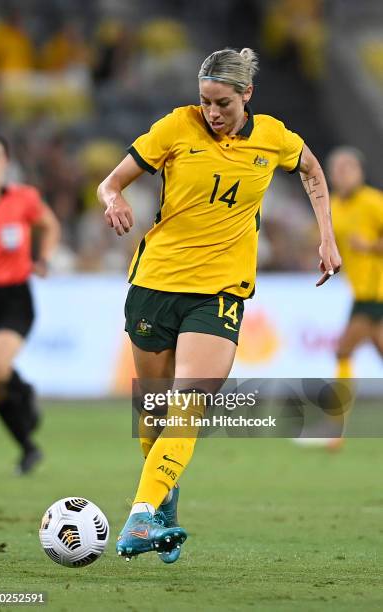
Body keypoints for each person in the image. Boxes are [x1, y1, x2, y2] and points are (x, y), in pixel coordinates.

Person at [97, 48, 341, 563]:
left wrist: (326, 237)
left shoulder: (274, 138)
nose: (212, 112)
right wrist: (113, 198)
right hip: (155, 282)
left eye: (223, 103)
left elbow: (313, 171)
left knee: (189, 403)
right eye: (205, 101)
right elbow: (111, 181)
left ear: (247, 96)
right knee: (155, 408)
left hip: (221, 291)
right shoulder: (175, 128)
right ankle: (163, 502)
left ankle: (140, 513)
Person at [0, 134, 60, 474]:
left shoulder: (23, 198)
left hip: (16, 297)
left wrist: (44, 258)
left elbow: (49, 225)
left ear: (6, 162)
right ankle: (27, 447)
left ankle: (24, 396)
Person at [328, 147, 383, 376]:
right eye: (338, 169)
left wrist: (369, 246)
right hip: (360, 290)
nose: (343, 174)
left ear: (360, 171)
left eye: (348, 168)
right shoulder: (332, 207)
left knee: (343, 350)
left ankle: (336, 412)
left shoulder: (373, 202)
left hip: (377, 290)